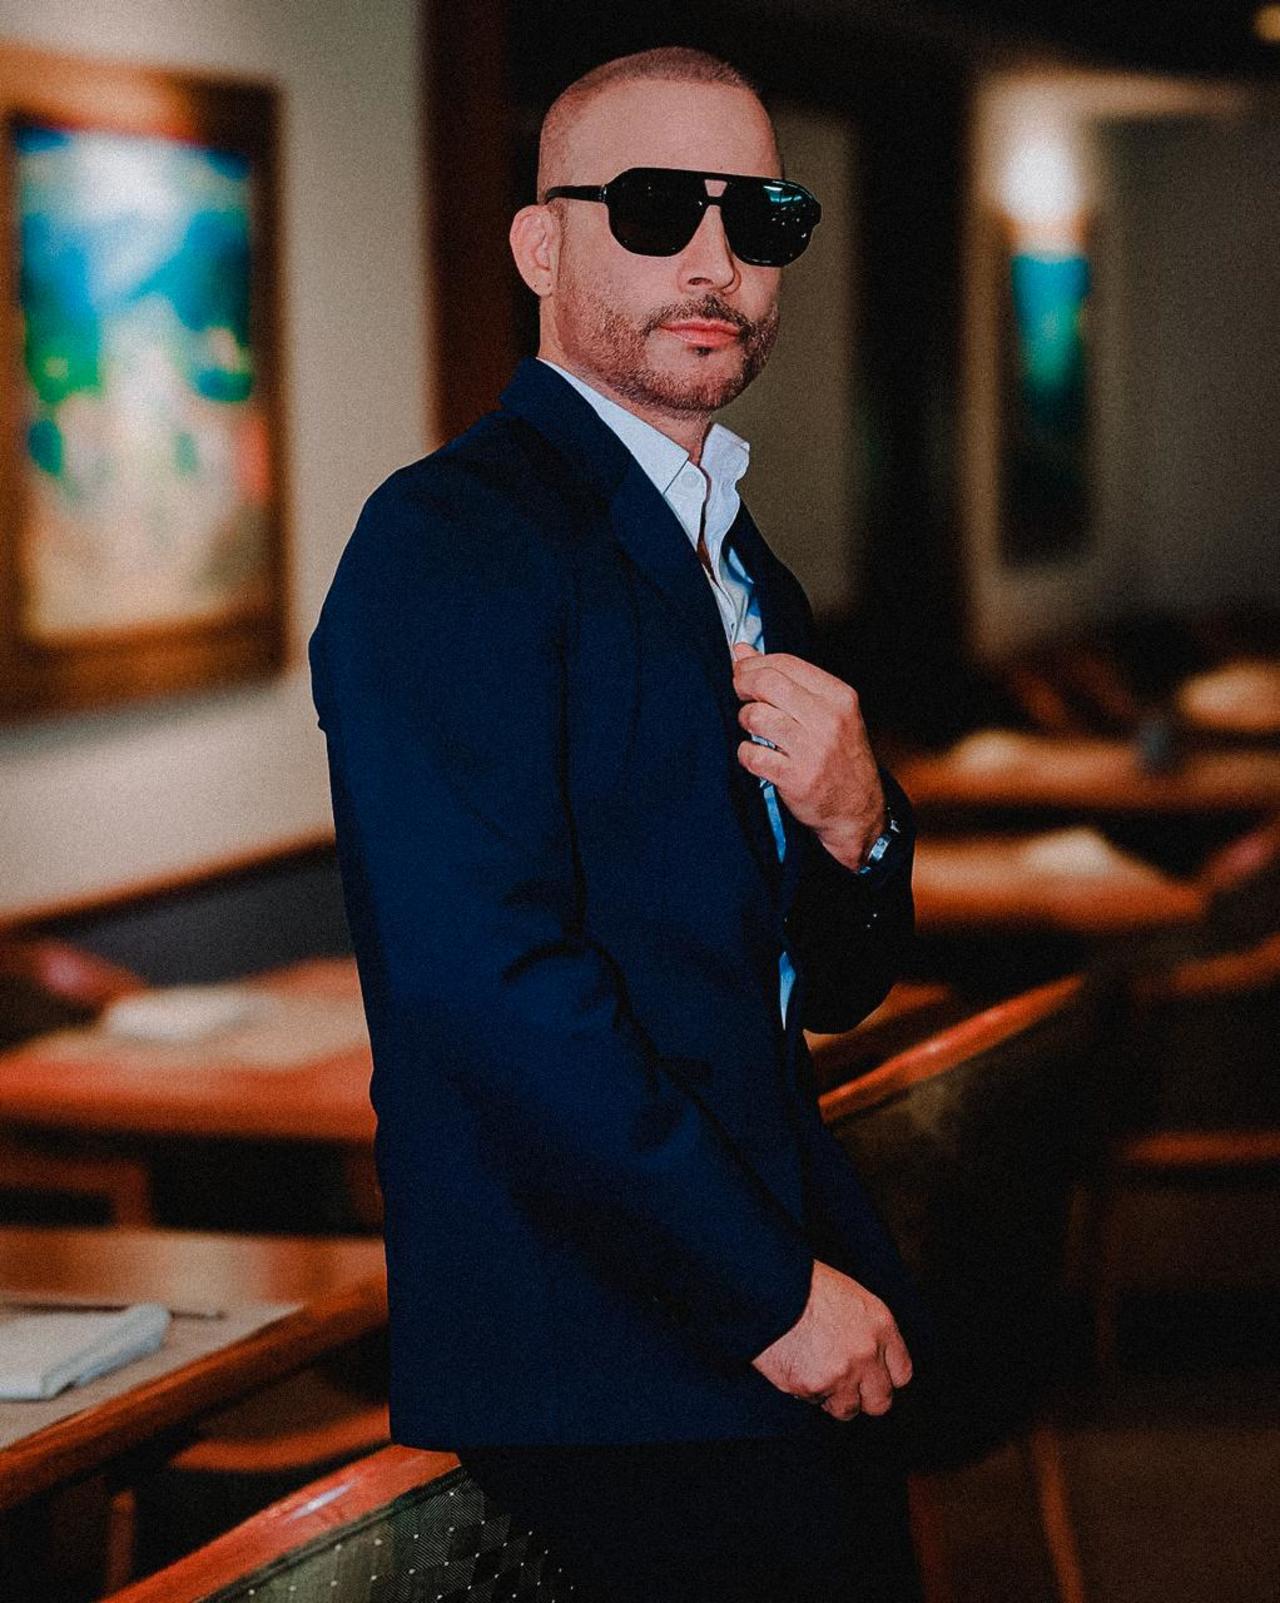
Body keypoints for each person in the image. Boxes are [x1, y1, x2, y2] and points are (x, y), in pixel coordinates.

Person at [310, 45, 924, 1603]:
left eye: (760, 218)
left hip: (750, 1300)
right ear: (542, 246)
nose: (718, 262)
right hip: (602, 1360)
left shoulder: (738, 558)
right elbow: (489, 990)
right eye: (657, 209)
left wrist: (860, 827)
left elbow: (827, 991)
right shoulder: (452, 537)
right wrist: (768, 1290)